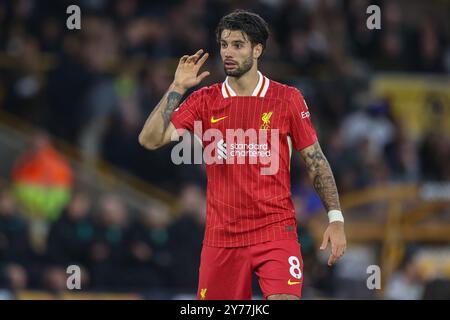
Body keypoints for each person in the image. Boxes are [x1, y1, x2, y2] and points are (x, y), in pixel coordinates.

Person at [139, 10, 346, 300]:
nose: (228, 52)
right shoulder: (204, 101)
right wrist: (177, 88)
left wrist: (335, 218)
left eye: (238, 44)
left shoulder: (287, 99)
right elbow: (149, 139)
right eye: (224, 44)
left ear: (257, 49)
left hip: (275, 232)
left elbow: (315, 160)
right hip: (222, 238)